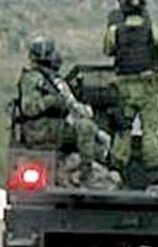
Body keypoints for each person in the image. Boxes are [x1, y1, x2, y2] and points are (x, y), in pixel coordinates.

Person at [16, 36, 117, 188]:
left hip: (52, 126)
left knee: (96, 139)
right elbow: (28, 109)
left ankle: (92, 171)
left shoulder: (53, 79)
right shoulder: (33, 79)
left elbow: (72, 105)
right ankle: (86, 175)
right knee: (85, 128)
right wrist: (52, 100)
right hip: (40, 129)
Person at [103, 0, 158, 177]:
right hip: (148, 87)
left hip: (124, 87)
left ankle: (117, 167)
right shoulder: (152, 30)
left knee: (123, 129)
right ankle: (151, 169)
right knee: (149, 131)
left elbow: (107, 51)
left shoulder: (114, 31)